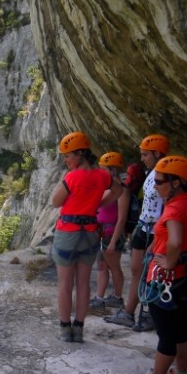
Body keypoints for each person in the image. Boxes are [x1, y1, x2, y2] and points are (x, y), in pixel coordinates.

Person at [129, 156, 187, 374]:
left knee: (166, 333)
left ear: (175, 182)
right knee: (181, 328)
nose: (155, 186)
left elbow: (174, 240)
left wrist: (169, 259)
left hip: (166, 279)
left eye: (159, 181)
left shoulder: (175, 208)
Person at [51, 132, 122, 342]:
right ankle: (79, 328)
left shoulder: (72, 177)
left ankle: (65, 329)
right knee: (83, 283)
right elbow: (118, 191)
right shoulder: (103, 176)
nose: (66, 160)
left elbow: (56, 202)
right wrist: (97, 204)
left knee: (65, 283)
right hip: (90, 232)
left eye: (68, 155)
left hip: (68, 232)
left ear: (80, 153)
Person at [105, 134, 169, 331]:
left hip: (155, 229)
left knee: (153, 275)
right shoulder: (151, 173)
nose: (142, 158)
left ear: (157, 153)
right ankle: (128, 313)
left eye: (145, 154)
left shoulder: (167, 176)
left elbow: (168, 207)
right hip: (143, 227)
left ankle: (150, 314)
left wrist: (159, 236)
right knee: (137, 271)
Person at [90, 152, 130, 309]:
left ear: (112, 170)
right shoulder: (107, 187)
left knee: (114, 267)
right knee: (102, 266)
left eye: (103, 169)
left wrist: (113, 241)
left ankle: (117, 297)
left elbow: (121, 218)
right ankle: (99, 298)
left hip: (112, 234)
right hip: (102, 233)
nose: (101, 172)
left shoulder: (123, 191)